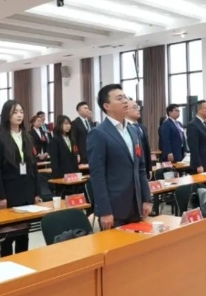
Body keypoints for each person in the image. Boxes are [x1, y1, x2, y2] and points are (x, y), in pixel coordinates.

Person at [88, 84, 152, 229]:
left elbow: (140, 168)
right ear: (107, 106)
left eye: (125, 97)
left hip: (136, 204)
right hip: (114, 208)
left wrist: (146, 198)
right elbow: (97, 175)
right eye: (119, 98)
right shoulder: (98, 133)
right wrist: (104, 211)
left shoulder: (133, 131)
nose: (125, 101)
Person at [0, 100, 42, 256]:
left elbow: (33, 167)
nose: (19, 115)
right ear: (7, 115)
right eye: (15, 112)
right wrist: (0, 197)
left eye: (21, 112)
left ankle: (23, 263)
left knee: (23, 235)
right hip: (10, 191)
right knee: (8, 236)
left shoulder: (28, 137)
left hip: (27, 190)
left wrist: (37, 192)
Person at [187, 100, 206, 173]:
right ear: (199, 110)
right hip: (202, 164)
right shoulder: (193, 125)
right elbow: (194, 147)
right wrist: (198, 164)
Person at [126, 101, 152, 179]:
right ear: (126, 110)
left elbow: (147, 149)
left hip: (144, 167)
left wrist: (149, 168)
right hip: (133, 169)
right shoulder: (125, 128)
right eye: (134, 107)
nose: (138, 110)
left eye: (138, 107)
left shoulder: (142, 127)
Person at [48, 114, 79, 179]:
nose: (68, 126)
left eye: (69, 124)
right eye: (66, 124)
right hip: (61, 174)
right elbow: (54, 160)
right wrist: (57, 176)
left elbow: (74, 156)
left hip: (73, 173)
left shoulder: (72, 139)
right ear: (60, 125)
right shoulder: (55, 140)